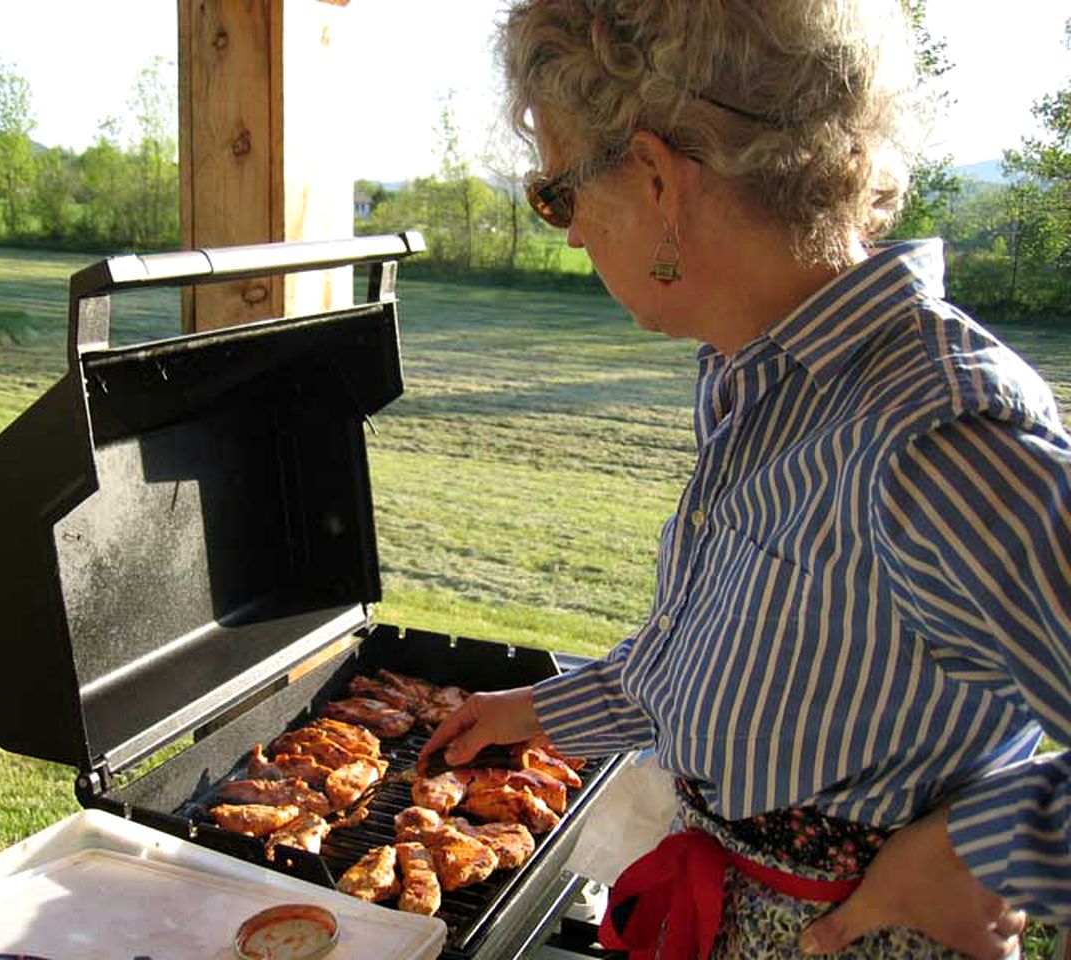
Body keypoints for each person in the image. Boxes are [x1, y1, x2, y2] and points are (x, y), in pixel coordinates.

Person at [420, 1, 1071, 957]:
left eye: (557, 194)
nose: (568, 237)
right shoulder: (751, 375)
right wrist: (539, 710)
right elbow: (742, 672)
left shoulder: (934, 434)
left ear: (652, 178)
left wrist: (984, 851)